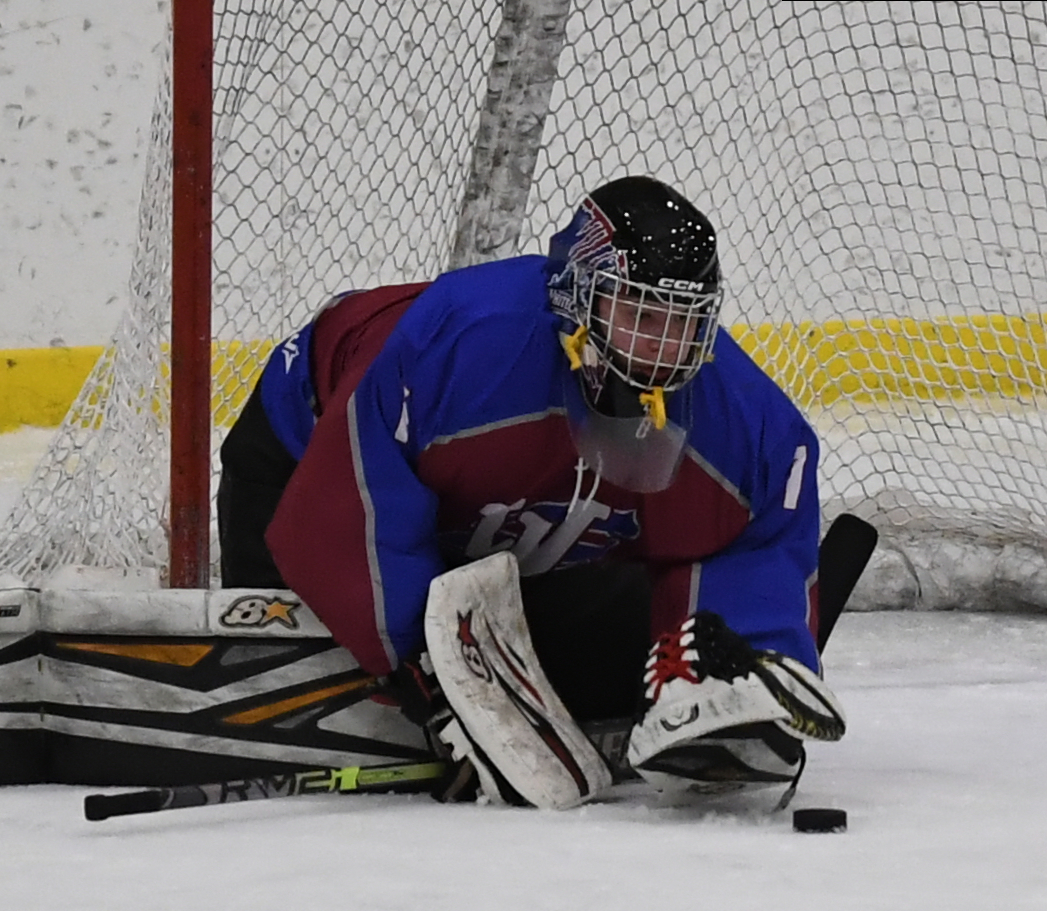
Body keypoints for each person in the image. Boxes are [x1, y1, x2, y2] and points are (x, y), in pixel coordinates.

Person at [215, 175, 845, 805]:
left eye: (684, 324)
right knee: (308, 659)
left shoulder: (748, 421)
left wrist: (742, 661)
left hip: (505, 530)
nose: (663, 347)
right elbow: (346, 504)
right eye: (641, 315)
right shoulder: (461, 340)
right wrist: (430, 673)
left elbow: (755, 547)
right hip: (307, 452)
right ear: (578, 295)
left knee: (617, 656)